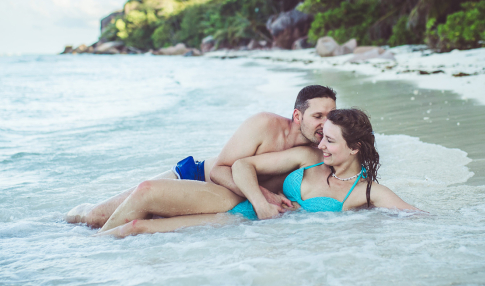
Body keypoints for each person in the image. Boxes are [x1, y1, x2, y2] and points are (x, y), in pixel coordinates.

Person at [97, 108, 422, 238]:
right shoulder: (306, 158)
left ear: (354, 149)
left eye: (330, 140)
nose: (320, 143)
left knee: (139, 228)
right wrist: (262, 200)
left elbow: (416, 217)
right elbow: (242, 164)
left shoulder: (367, 192)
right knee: (142, 205)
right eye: (321, 135)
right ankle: (81, 259)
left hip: (240, 230)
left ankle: (86, 258)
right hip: (235, 206)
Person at [66, 85, 338, 227]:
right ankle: (72, 215)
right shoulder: (265, 125)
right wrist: (260, 195)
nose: (324, 124)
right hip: (193, 176)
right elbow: (221, 169)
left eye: (330, 116)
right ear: (297, 115)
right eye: (318, 116)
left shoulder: (320, 149)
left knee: (143, 223)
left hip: (219, 200)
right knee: (95, 218)